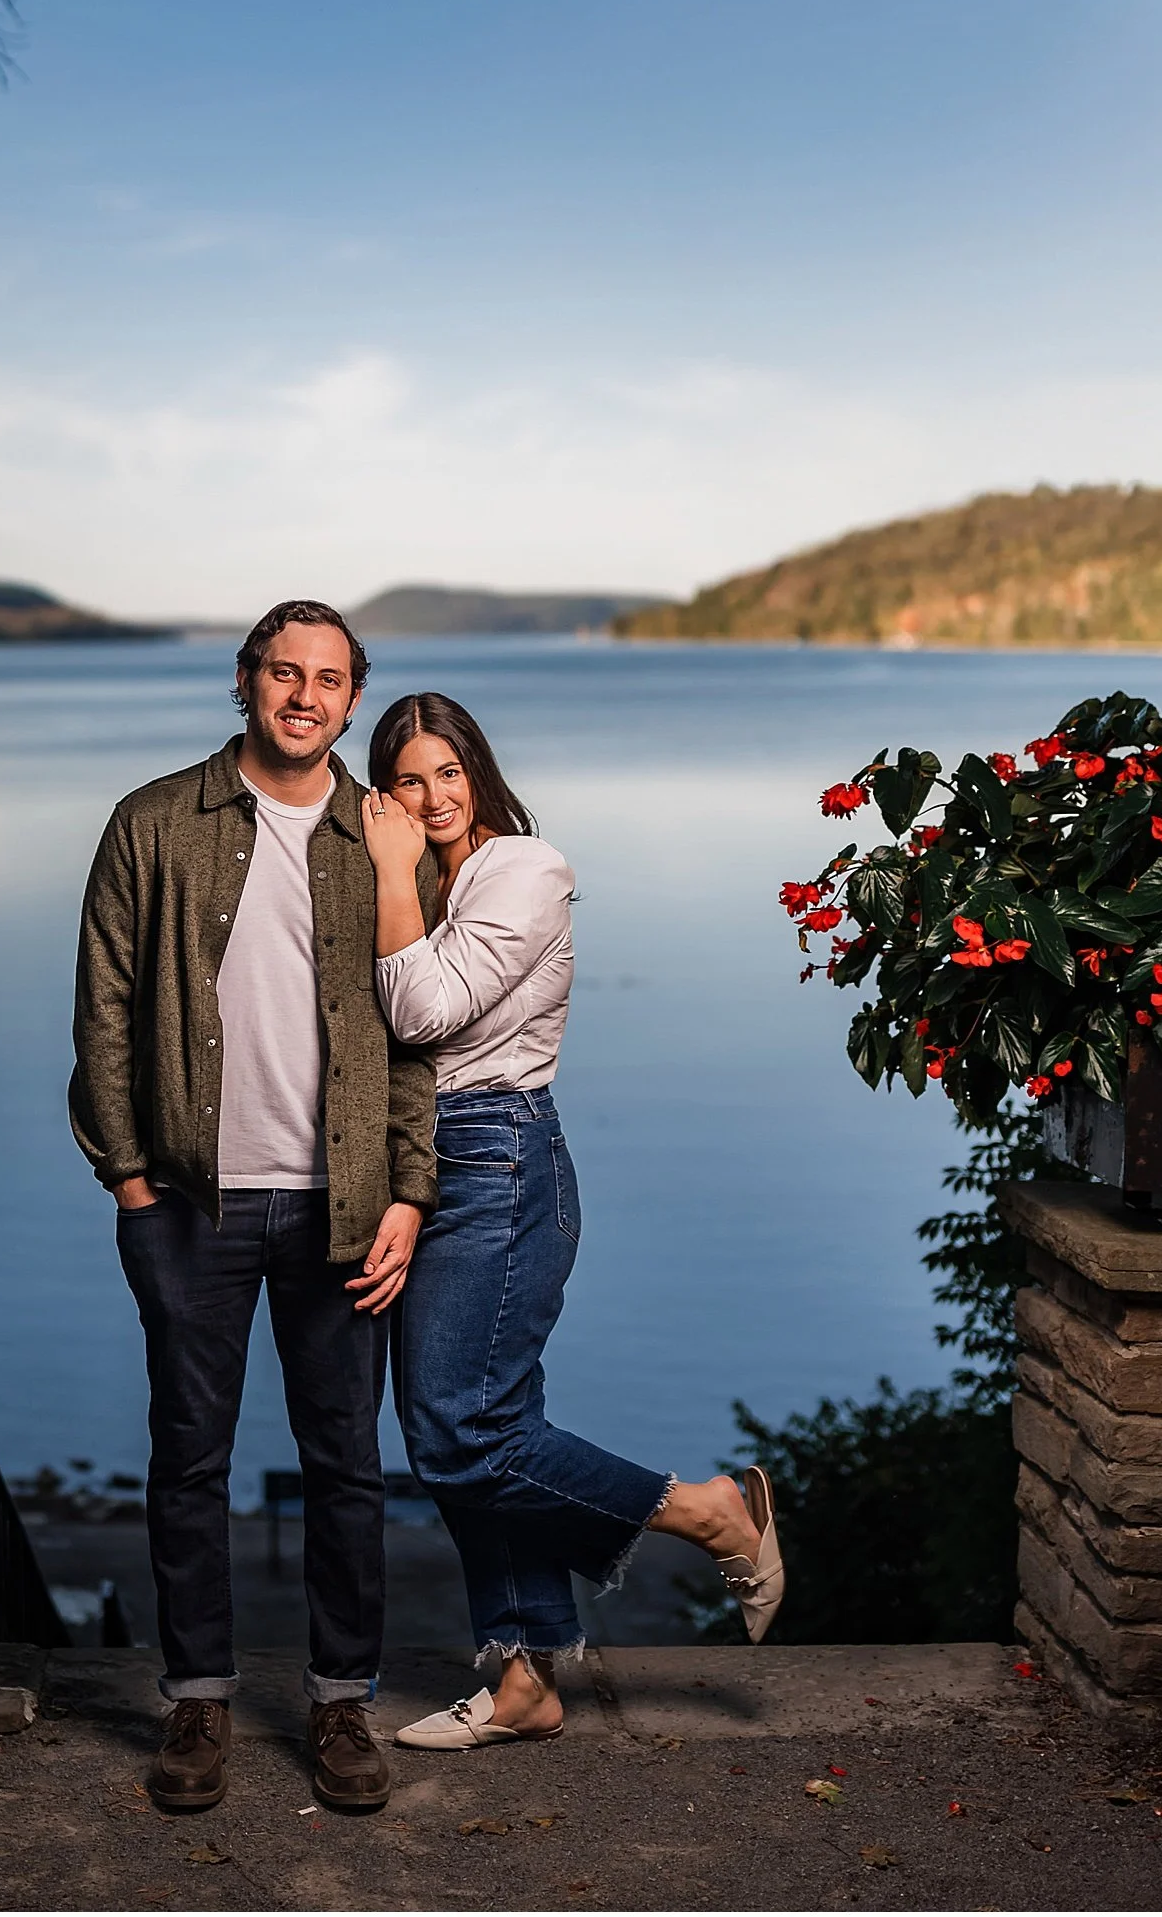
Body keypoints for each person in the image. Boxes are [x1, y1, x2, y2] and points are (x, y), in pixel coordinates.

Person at [359, 690, 785, 1753]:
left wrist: (382, 869)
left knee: (462, 1430)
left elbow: (417, 1012)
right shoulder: (421, 875)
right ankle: (522, 1677)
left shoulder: (524, 870)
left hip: (495, 1159)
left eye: (448, 772)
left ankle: (705, 1509)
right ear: (385, 790)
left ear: (479, 771)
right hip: (422, 1157)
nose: (432, 796)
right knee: (464, 1424)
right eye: (408, 779)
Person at [70, 603, 437, 1815]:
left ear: (349, 698)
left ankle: (341, 1704)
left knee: (345, 1465)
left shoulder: (380, 836)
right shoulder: (153, 821)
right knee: (189, 1460)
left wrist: (406, 1192)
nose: (305, 693)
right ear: (246, 680)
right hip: (192, 1201)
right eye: (286, 669)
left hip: (342, 1207)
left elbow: (417, 1029)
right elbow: (105, 1007)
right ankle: (198, 1699)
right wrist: (130, 1182)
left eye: (330, 678)